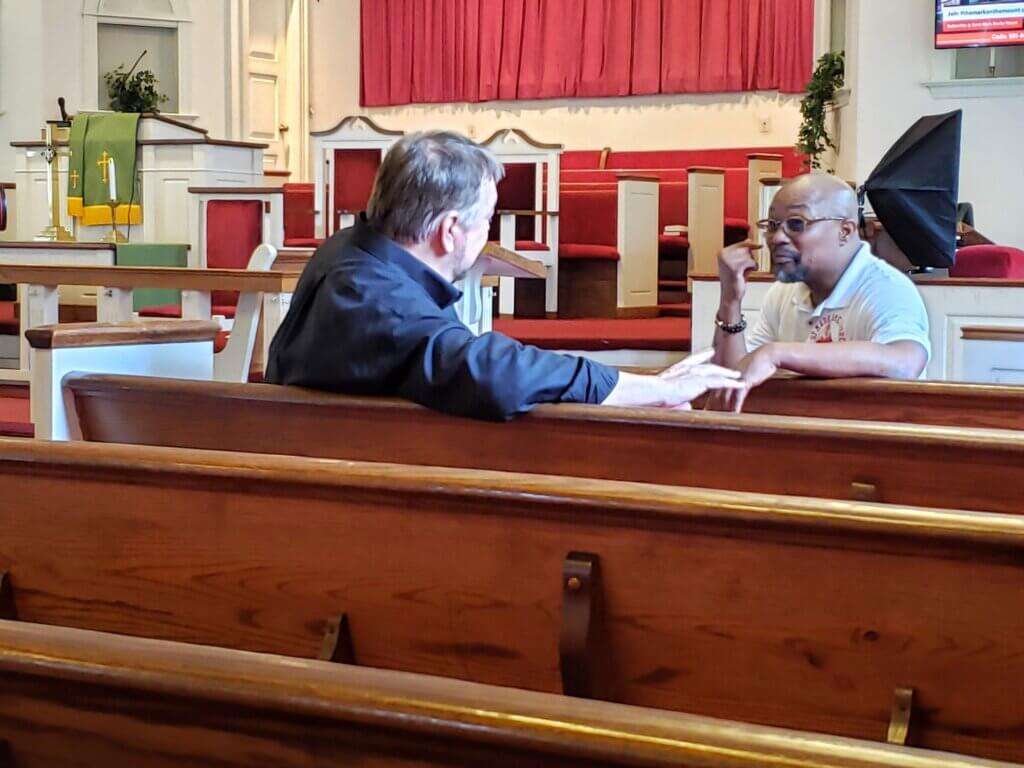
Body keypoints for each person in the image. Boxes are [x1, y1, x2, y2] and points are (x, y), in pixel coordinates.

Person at [266, 130, 742, 420]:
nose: (489, 231)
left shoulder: (349, 253)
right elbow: (492, 371)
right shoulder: (375, 299)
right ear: (450, 230)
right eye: (487, 219)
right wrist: (654, 389)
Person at [710, 173, 930, 411]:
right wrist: (730, 301)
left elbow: (904, 361)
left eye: (796, 224)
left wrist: (777, 353)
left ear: (845, 231)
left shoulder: (887, 288)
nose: (777, 238)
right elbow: (732, 381)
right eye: (772, 226)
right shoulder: (783, 293)